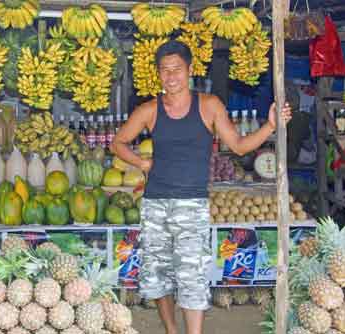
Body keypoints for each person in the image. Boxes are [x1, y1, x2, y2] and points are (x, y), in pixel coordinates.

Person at [109, 40, 292, 334]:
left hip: (192, 206)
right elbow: (117, 144)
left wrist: (270, 126)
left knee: (192, 278)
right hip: (155, 204)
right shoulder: (149, 110)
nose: (170, 77)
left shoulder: (209, 106)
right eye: (164, 71)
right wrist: (143, 163)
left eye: (176, 70)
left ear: (190, 70)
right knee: (157, 277)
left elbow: (240, 146)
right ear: (158, 74)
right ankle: (171, 329)